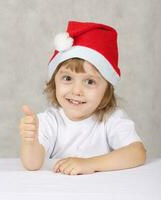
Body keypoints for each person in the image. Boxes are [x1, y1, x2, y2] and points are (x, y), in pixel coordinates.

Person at [19, 21, 146, 175]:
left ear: (107, 90)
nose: (77, 90)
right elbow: (32, 165)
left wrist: (89, 164)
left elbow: (137, 153)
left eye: (90, 82)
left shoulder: (111, 119)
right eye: (67, 78)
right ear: (54, 82)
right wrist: (30, 141)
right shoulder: (49, 120)